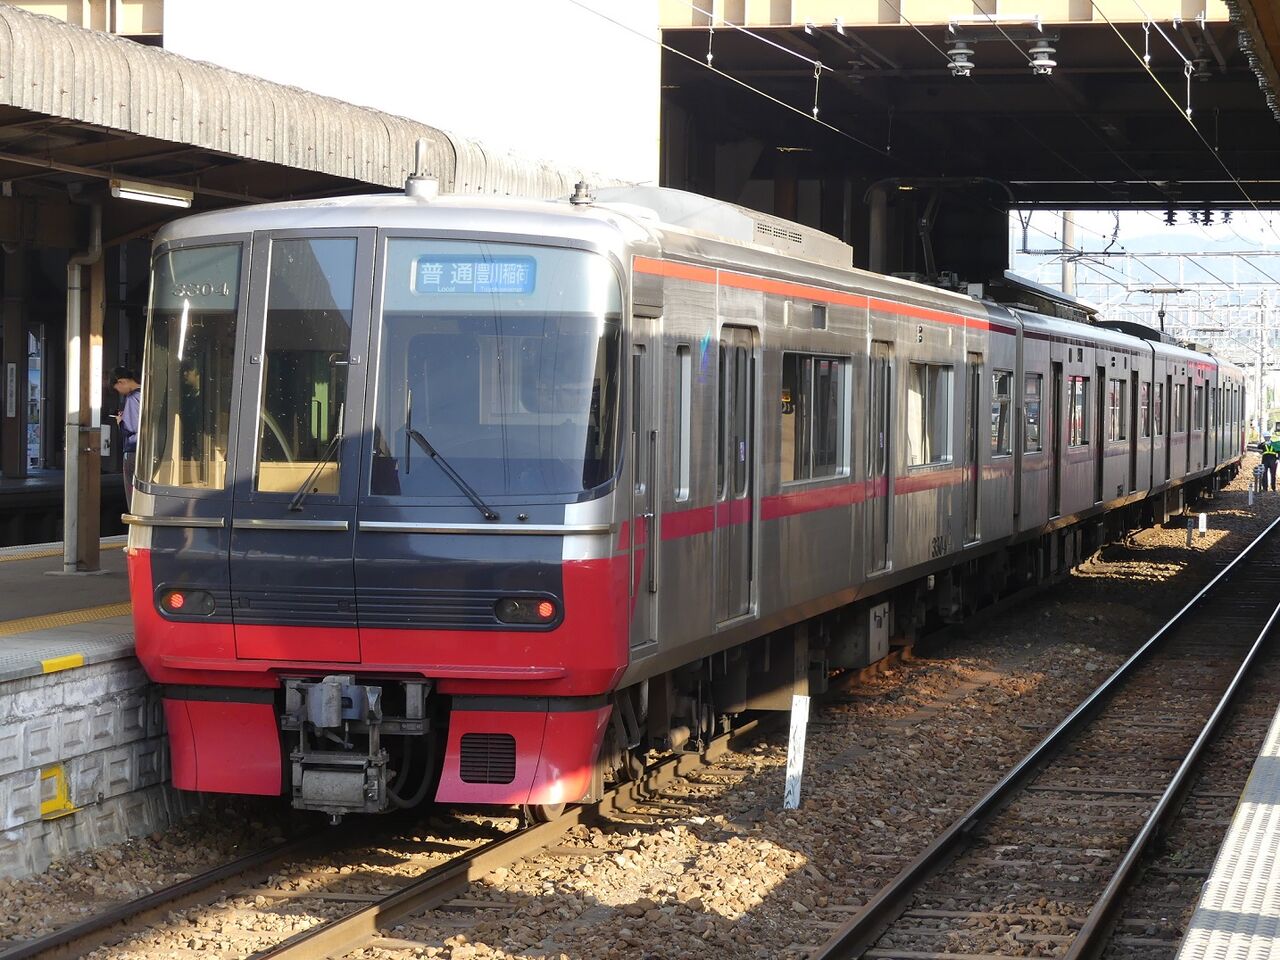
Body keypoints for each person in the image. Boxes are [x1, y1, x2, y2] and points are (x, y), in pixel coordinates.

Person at [110, 367, 142, 509]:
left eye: (117, 388)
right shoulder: (148, 393)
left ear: (121, 382)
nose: (119, 392)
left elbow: (130, 427)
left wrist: (120, 421)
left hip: (133, 450)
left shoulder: (132, 397)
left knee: (132, 492)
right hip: (147, 450)